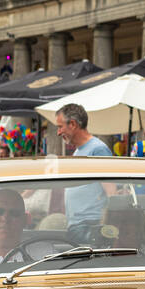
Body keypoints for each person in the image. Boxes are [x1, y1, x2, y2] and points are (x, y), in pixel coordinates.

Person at [55, 103, 114, 243]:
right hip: (80, 226)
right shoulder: (79, 151)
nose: (58, 132)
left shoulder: (98, 150)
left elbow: (111, 192)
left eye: (60, 126)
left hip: (90, 226)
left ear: (73, 124)